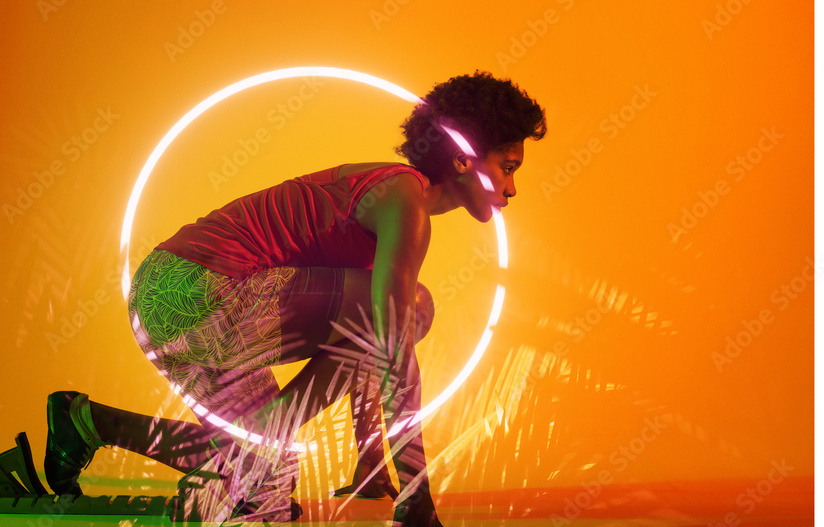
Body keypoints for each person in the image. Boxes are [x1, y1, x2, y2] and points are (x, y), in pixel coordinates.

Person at [43, 70, 546, 525]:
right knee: (414, 308)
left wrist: (370, 455)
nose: (513, 187)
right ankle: (265, 436)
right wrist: (417, 497)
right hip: (196, 290)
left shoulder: (393, 203)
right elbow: (391, 340)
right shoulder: (403, 199)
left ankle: (86, 421)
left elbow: (366, 344)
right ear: (462, 158)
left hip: (170, 304)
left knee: (269, 482)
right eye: (507, 166)